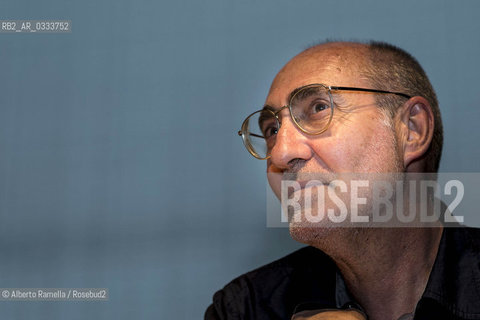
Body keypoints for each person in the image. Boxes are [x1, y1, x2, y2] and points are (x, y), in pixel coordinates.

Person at [205, 41, 480, 320]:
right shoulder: (244, 309)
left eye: (318, 108)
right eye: (272, 130)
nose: (280, 153)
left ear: (411, 129)